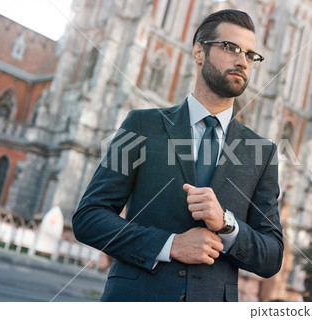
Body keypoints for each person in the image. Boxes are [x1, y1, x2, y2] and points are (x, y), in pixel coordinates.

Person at [72, 9, 283, 302]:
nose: (241, 61)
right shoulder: (141, 125)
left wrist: (226, 223)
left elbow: (272, 256)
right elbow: (89, 218)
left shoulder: (263, 152)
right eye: (230, 48)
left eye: (250, 55)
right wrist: (169, 245)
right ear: (199, 52)